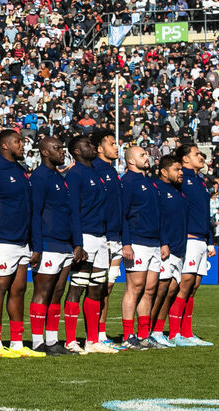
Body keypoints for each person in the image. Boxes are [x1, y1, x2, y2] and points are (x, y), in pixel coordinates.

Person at [0, 129, 42, 358]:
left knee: (19, 290)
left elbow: (29, 209)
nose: (23, 145)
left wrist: (34, 244)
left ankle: (16, 343)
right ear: (4, 145)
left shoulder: (19, 169)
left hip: (21, 242)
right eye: (18, 141)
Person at [28, 136, 84, 356]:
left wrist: (76, 243)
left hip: (65, 244)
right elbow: (35, 212)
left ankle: (52, 339)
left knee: (58, 292)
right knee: (43, 291)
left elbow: (71, 214)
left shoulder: (60, 177)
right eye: (57, 148)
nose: (62, 151)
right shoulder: (40, 177)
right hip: (48, 243)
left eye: (62, 147)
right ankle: (37, 341)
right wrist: (37, 246)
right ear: (44, 152)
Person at [62, 135, 115, 355]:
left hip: (101, 238)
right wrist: (78, 242)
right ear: (76, 151)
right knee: (77, 287)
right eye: (87, 145)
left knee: (97, 288)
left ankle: (92, 340)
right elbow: (73, 210)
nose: (92, 147)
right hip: (84, 237)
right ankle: (70, 340)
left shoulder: (96, 172)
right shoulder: (75, 174)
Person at [117, 145, 167, 350]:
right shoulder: (127, 182)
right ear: (130, 161)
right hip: (137, 242)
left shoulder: (151, 183)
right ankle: (128, 336)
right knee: (134, 288)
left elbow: (159, 215)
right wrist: (126, 243)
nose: (147, 157)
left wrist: (164, 242)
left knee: (150, 289)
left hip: (155, 244)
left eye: (147, 154)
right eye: (142, 155)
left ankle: (143, 335)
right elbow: (123, 215)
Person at [169, 144, 215, 346]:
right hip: (188, 238)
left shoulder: (200, 180)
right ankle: (174, 333)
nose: (201, 156)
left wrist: (210, 240)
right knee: (184, 284)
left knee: (193, 286)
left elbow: (205, 213)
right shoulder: (182, 180)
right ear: (185, 159)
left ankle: (187, 333)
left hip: (201, 238)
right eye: (196, 154)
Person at [152, 155, 189, 347]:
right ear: (164, 172)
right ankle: (147, 331)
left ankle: (158, 330)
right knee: (160, 290)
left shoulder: (179, 191)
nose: (181, 172)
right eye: (176, 169)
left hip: (179, 249)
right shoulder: (156, 189)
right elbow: (156, 219)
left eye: (181, 169)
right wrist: (163, 242)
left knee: (171, 291)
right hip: (164, 248)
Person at [92, 130, 124, 347]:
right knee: (95, 287)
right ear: (100, 148)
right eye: (112, 144)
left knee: (108, 287)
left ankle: (101, 334)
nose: (117, 147)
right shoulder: (94, 169)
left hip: (116, 236)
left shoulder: (112, 171)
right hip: (101, 237)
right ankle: (92, 335)